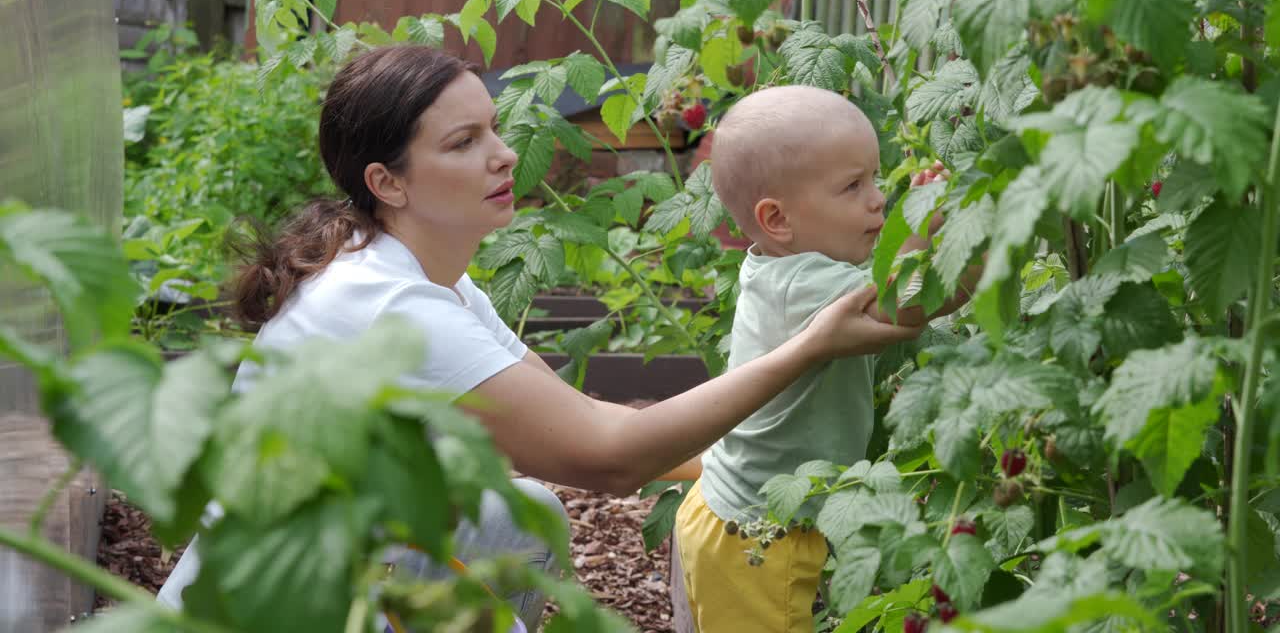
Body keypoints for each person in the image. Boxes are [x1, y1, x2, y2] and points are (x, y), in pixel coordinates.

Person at [155, 48, 924, 628]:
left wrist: (745, 470)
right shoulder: (390, 310)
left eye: (492, 129)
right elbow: (610, 458)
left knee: (520, 514)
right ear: (388, 182)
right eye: (463, 143)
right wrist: (809, 347)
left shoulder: (423, 278)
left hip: (332, 563)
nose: (504, 154)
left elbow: (586, 416)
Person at [673, 85, 980, 633]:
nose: (878, 199)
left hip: (735, 512)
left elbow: (916, 294)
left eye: (875, 179)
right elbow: (911, 305)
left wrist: (939, 237)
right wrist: (945, 231)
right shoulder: (804, 287)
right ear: (778, 220)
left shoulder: (789, 266)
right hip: (760, 539)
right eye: (852, 186)